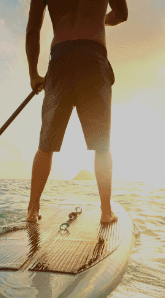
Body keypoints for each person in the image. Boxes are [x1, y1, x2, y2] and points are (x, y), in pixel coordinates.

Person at [25, 0, 128, 224]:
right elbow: (122, 14)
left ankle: (32, 210)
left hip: (60, 60)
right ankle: (105, 212)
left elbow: (33, 30)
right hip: (93, 56)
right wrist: (99, 19)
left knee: (46, 145)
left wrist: (34, 74)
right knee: (102, 145)